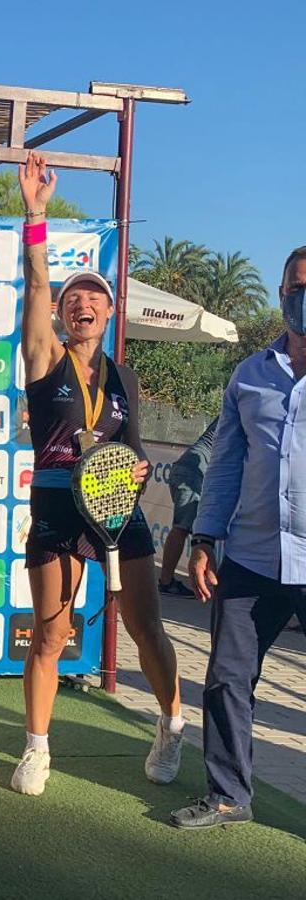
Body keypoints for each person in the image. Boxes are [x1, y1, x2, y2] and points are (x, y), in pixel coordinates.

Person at [11, 152, 183, 796]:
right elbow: (33, 285)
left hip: (116, 505)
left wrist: (134, 473)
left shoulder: (124, 378)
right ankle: (36, 748)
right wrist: (36, 214)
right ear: (60, 312)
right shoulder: (43, 358)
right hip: (57, 505)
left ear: (109, 313)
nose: (81, 301)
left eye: (94, 296)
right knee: (51, 632)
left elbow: (134, 449)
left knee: (144, 624)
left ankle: (170, 722)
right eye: (71, 295)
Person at [170, 246, 306, 830]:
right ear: (280, 296)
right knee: (227, 678)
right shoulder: (250, 375)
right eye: (297, 287)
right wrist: (204, 538)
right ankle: (228, 795)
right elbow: (224, 465)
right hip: (250, 557)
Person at [157, 417, 218, 597]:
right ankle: (166, 582)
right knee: (182, 528)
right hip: (192, 474)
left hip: (188, 471)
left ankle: (168, 581)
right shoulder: (238, 411)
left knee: (184, 528)